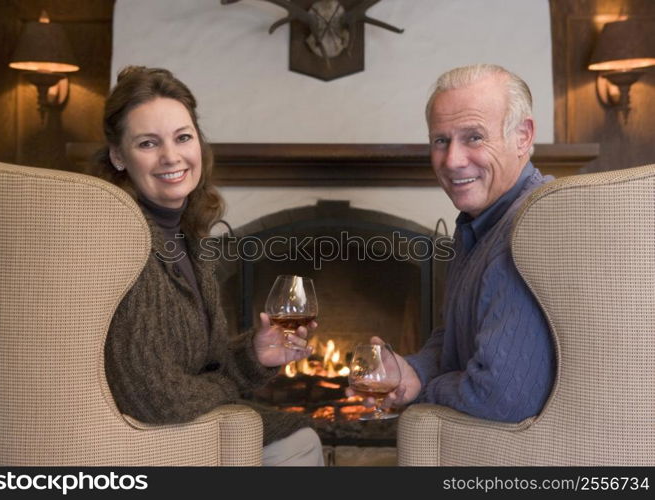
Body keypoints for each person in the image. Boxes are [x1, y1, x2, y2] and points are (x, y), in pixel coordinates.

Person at [98, 66, 323, 466]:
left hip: (178, 421)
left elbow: (200, 361)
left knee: (300, 437)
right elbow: (156, 399)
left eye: (183, 137)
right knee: (298, 444)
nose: (172, 156)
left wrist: (254, 353)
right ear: (118, 156)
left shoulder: (189, 236)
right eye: (148, 143)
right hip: (136, 438)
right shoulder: (121, 240)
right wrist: (232, 379)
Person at [352, 64, 555, 423]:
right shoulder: (479, 225)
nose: (452, 160)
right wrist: (412, 372)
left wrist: (422, 395)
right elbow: (455, 334)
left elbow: (499, 397)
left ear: (523, 136)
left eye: (474, 137)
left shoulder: (530, 229)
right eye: (440, 140)